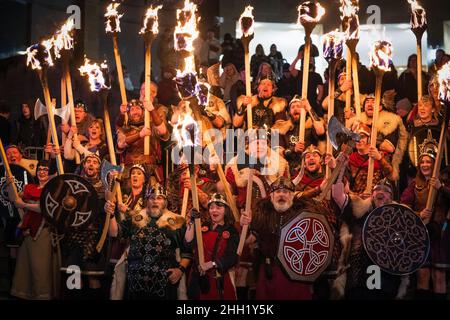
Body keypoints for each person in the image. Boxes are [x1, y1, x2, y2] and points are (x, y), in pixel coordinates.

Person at [106, 184, 191, 300]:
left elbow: (187, 252)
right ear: (147, 201)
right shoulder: (135, 218)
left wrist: (180, 270)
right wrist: (110, 215)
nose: (155, 201)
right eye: (151, 198)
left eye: (159, 198)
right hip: (135, 283)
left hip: (164, 283)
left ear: (165, 202)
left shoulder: (178, 221)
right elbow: (114, 233)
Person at [239, 177, 313, 299]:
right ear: (271, 196)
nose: (281, 195)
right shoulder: (262, 216)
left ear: (292, 196)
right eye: (278, 192)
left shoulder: (303, 217)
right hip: (270, 271)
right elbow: (248, 241)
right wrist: (244, 225)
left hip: (295, 272)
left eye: (285, 192)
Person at [332, 178, 402, 299]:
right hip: (358, 272)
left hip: (388, 276)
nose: (381, 192)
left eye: (386, 191)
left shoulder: (400, 217)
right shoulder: (359, 210)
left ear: (391, 197)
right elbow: (337, 196)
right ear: (372, 194)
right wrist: (340, 169)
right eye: (377, 189)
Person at [400, 143, 450, 300]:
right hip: (422, 234)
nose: (425, 165)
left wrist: (440, 187)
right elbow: (403, 209)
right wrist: (418, 214)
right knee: (422, 276)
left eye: (428, 161)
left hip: (441, 233)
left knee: (439, 277)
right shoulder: (414, 185)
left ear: (434, 164)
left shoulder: (445, 183)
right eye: (422, 162)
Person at [9, 160, 54, 299]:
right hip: (28, 232)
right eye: (40, 169)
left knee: (40, 267)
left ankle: (41, 295)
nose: (41, 172)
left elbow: (44, 208)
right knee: (25, 267)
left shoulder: (53, 188)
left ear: (50, 173)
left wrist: (24, 205)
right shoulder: (30, 187)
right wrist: (9, 184)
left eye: (45, 169)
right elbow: (14, 200)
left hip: (43, 232)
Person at [185, 193, 238, 300]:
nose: (214, 210)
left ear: (225, 210)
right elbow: (188, 242)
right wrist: (191, 221)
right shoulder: (203, 226)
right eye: (211, 207)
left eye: (218, 208)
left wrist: (212, 264)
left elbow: (232, 258)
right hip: (197, 278)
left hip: (217, 279)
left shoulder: (231, 231)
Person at [347, 123, 394, 196]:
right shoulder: (351, 159)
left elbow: (391, 175)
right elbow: (346, 184)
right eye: (356, 137)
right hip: (356, 199)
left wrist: (380, 159)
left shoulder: (381, 155)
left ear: (369, 139)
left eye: (362, 137)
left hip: (376, 199)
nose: (359, 140)